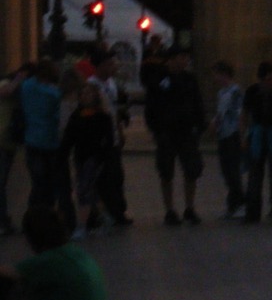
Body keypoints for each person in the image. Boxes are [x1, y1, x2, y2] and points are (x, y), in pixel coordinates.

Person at [144, 45, 205, 226]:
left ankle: (189, 207)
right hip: (166, 132)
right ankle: (169, 209)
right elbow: (151, 106)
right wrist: (156, 130)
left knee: (192, 170)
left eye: (187, 57)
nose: (186, 61)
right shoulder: (158, 79)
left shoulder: (190, 79)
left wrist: (199, 125)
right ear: (171, 59)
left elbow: (197, 103)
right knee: (166, 171)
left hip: (187, 132)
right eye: (182, 57)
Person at [59, 82, 115, 240]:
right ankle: (105, 217)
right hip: (80, 157)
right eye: (82, 94)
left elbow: (109, 140)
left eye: (89, 93)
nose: (85, 96)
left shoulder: (102, 116)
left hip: (95, 158)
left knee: (83, 190)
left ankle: (81, 226)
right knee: (89, 190)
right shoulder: (77, 115)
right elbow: (68, 138)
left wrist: (105, 157)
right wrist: (61, 156)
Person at [20, 59, 71, 223]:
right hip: (51, 141)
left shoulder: (27, 86)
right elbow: (59, 116)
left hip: (32, 140)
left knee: (37, 182)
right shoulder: (53, 94)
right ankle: (48, 215)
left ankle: (32, 215)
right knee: (51, 183)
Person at [88, 48, 133, 226]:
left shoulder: (111, 83)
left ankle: (117, 211)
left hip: (112, 136)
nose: (114, 67)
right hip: (99, 138)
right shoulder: (92, 85)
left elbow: (114, 111)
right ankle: (99, 213)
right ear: (99, 66)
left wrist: (119, 131)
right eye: (109, 64)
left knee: (116, 176)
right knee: (101, 178)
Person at [242, 61, 272, 225]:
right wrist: (243, 135)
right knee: (255, 175)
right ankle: (253, 211)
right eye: (269, 78)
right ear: (262, 78)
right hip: (257, 133)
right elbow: (244, 114)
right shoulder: (252, 91)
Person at [0, 63, 34, 235]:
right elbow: (4, 92)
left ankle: (3, 220)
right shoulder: (7, 85)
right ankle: (2, 220)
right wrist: (19, 80)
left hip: (8, 142)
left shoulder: (22, 91)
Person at [210, 61, 246, 219]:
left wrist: (241, 135)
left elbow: (240, 115)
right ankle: (233, 203)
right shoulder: (221, 93)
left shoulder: (235, 91)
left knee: (233, 171)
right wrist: (215, 123)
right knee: (226, 171)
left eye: (216, 74)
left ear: (224, 74)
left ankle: (240, 203)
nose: (214, 78)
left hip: (232, 134)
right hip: (223, 134)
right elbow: (221, 112)